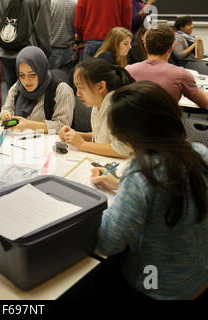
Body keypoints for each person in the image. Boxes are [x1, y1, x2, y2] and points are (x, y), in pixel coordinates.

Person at [90, 81, 208, 300]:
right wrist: (119, 184)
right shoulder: (200, 152)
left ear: (130, 135)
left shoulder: (142, 173)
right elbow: (170, 189)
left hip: (156, 286)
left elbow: (108, 241)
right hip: (198, 275)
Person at [59, 58, 133, 158]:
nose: (78, 93)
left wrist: (82, 144)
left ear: (101, 87)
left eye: (81, 87)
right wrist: (76, 136)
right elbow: (104, 137)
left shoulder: (118, 107)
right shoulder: (98, 104)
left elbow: (122, 149)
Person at [126, 24, 208, 109]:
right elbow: (205, 103)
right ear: (170, 48)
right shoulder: (181, 75)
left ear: (145, 47)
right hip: (166, 121)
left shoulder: (128, 71)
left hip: (134, 121)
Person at [0, 46, 75, 133]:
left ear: (41, 70)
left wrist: (28, 125)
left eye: (32, 75)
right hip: (21, 140)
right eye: (22, 75)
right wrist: (5, 115)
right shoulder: (18, 87)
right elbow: (6, 109)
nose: (27, 81)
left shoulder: (61, 90)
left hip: (49, 143)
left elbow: (63, 126)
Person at [0, 0, 52, 91]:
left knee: (12, 93)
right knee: (31, 93)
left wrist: (4, 44)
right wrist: (46, 51)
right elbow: (43, 28)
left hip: (6, 52)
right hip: (30, 52)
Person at [48, 0, 77, 75]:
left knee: (51, 79)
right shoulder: (74, 5)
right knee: (65, 79)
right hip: (69, 48)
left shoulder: (50, 4)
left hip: (53, 48)